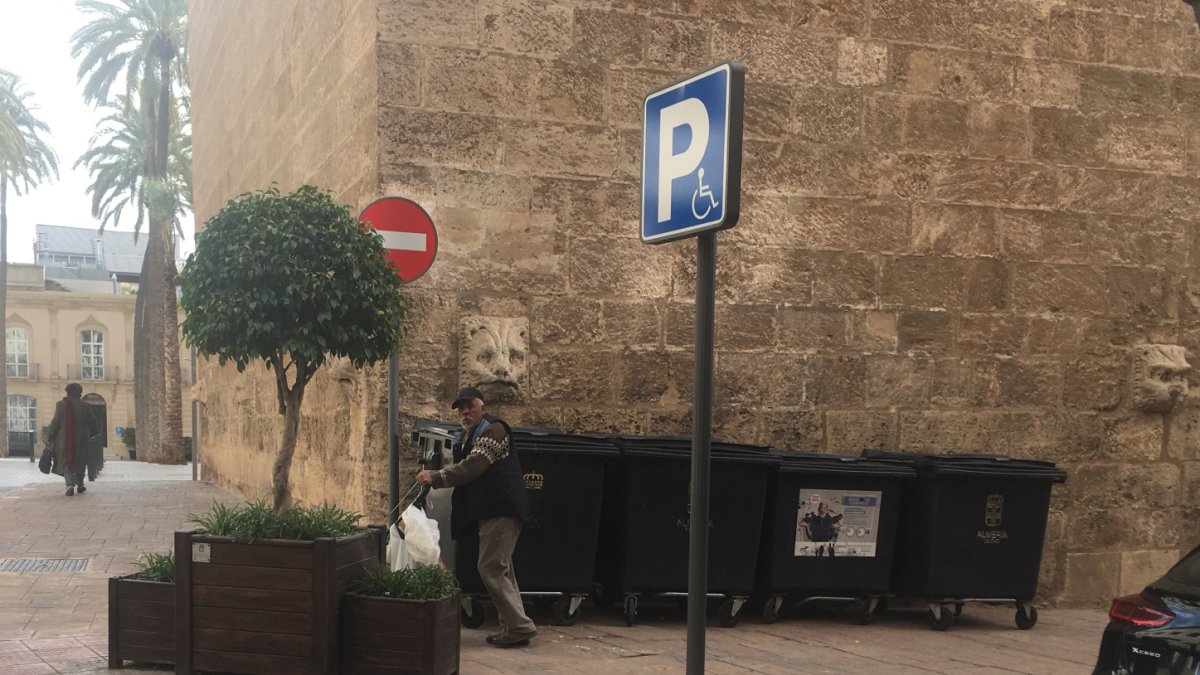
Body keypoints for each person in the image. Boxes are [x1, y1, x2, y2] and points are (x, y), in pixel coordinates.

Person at [416, 387, 535, 648]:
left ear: (483, 407)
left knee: (491, 567)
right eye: (461, 408)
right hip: (492, 510)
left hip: (501, 509)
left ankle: (519, 626)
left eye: (470, 406)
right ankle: (513, 625)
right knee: (501, 568)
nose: (465, 412)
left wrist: (435, 477)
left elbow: (472, 468)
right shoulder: (471, 433)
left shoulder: (494, 430)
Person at [43, 383, 100, 497]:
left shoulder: (61, 405)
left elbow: (55, 423)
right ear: (80, 393)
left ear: (67, 393)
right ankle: (80, 484)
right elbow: (93, 422)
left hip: (64, 440)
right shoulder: (85, 406)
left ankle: (70, 485)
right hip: (81, 440)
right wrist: (91, 434)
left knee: (66, 462)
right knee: (80, 461)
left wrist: (48, 437)